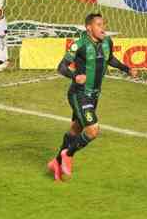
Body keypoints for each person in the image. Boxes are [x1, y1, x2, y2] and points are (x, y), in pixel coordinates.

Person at [48, 13, 137, 181]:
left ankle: (56, 162)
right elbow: (61, 67)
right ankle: (68, 154)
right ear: (89, 28)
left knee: (76, 129)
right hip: (79, 94)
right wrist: (75, 77)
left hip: (94, 96)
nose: (103, 28)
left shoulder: (107, 42)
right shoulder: (79, 45)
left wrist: (127, 69)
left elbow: (110, 59)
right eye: (98, 24)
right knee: (92, 130)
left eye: (103, 24)